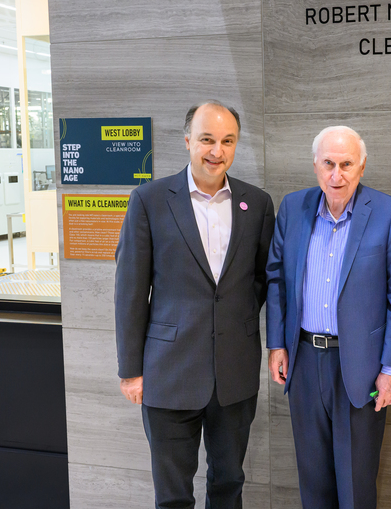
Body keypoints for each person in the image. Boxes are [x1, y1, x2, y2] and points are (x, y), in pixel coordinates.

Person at [115, 101, 275, 509]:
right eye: (207, 139)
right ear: (188, 141)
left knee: (229, 485)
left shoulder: (256, 203)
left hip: (234, 374)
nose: (216, 151)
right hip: (168, 373)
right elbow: (131, 291)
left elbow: (262, 279)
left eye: (227, 141)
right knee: (172, 495)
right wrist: (131, 371)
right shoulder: (149, 200)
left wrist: (233, 320)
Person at [265, 126, 391, 509]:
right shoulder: (293, 207)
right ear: (315, 165)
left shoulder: (388, 212)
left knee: (356, 485)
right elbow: (277, 279)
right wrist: (277, 343)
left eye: (346, 164)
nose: (337, 175)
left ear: (361, 166)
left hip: (361, 368)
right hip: (303, 362)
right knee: (312, 481)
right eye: (329, 163)